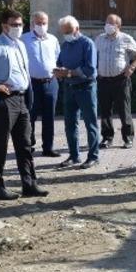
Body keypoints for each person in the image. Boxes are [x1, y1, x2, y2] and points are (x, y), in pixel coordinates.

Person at [0, 9, 48, 200]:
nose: (18, 28)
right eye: (14, 25)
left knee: (25, 144)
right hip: (5, 100)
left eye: (21, 24)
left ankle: (29, 184)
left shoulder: (20, 44)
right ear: (4, 26)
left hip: (21, 98)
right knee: (0, 145)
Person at [54, 15, 100, 169]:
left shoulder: (87, 44)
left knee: (90, 123)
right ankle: (74, 156)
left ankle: (93, 156)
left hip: (86, 88)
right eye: (64, 32)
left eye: (69, 31)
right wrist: (58, 70)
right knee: (70, 124)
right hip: (69, 87)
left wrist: (68, 72)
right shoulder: (65, 45)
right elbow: (60, 62)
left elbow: (90, 70)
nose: (67, 34)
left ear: (77, 29)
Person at [94, 13, 136, 149]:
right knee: (105, 111)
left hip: (120, 80)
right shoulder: (99, 39)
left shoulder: (125, 38)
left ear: (118, 26)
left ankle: (128, 138)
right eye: (106, 22)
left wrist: (132, 67)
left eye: (111, 23)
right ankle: (107, 138)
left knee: (124, 110)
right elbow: (93, 55)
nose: (107, 25)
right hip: (103, 80)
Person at [22, 11, 61, 157]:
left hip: (50, 82)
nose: (41, 25)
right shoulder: (24, 39)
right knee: (30, 116)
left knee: (49, 116)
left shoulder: (53, 39)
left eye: (44, 23)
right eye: (38, 23)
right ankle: (29, 145)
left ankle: (48, 147)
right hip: (31, 83)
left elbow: (56, 57)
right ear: (32, 23)